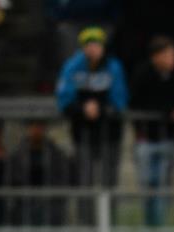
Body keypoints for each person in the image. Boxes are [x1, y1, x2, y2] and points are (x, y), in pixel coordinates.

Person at [56, 26, 128, 218]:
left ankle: (109, 228)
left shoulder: (114, 67)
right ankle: (86, 229)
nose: (93, 49)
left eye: (97, 44)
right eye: (89, 45)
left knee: (108, 184)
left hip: (109, 135)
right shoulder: (72, 67)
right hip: (82, 135)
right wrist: (83, 109)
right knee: (84, 182)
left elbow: (120, 99)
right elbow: (64, 99)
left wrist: (102, 110)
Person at [129, 36, 174, 227]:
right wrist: (167, 110)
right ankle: (149, 225)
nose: (173, 59)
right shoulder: (142, 74)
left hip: (168, 138)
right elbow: (137, 103)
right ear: (157, 56)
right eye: (169, 55)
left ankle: (158, 229)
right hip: (146, 139)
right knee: (148, 185)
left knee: (162, 186)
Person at [7, 119, 74, 226]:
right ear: (28, 129)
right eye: (33, 126)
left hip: (50, 206)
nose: (36, 130)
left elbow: (62, 179)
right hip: (24, 205)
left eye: (39, 127)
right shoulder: (18, 154)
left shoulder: (56, 154)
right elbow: (13, 179)